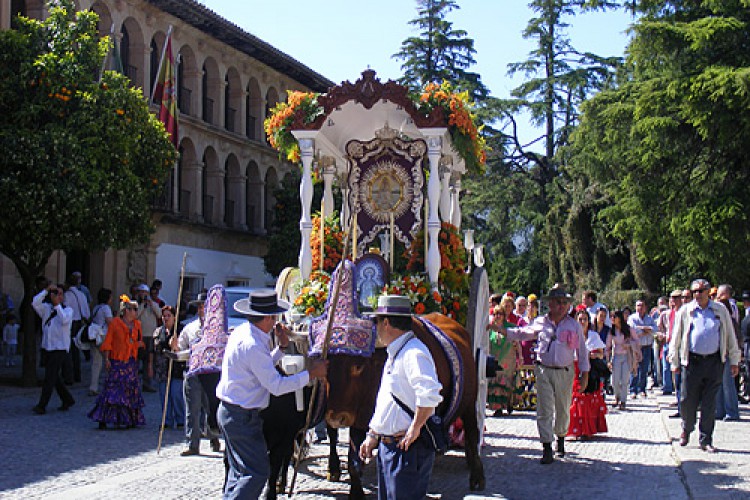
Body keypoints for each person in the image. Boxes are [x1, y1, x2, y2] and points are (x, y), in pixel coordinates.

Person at [217, 289, 327, 499]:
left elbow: (258, 369)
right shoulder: (253, 344)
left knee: (239, 471)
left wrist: (282, 348)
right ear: (268, 318)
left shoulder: (244, 333)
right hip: (242, 416)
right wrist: (311, 373)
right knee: (256, 473)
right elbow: (275, 385)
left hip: (232, 411)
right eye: (275, 314)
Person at [493, 284, 589, 464]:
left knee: (563, 407)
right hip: (544, 369)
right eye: (557, 302)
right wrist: (502, 330)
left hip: (565, 371)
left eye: (564, 302)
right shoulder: (541, 322)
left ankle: (560, 438)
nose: (561, 306)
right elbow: (522, 333)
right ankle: (546, 446)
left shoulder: (573, 325)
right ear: (550, 304)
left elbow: (582, 351)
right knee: (544, 408)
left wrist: (585, 374)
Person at [359, 295, 443, 498]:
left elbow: (430, 394)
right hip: (391, 448)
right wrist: (373, 434)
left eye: (376, 321)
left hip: (406, 450)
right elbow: (387, 401)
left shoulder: (413, 353)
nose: (375, 327)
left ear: (386, 323)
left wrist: (414, 428)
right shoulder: (397, 352)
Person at [669, 279, 741, 452]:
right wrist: (674, 361)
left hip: (714, 361)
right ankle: (687, 428)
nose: (697, 295)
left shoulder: (719, 310)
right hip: (692, 361)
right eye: (695, 292)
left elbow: (729, 335)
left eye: (701, 291)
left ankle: (706, 439)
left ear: (708, 292)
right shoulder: (686, 311)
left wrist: (734, 360)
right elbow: (676, 337)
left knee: (710, 403)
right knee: (687, 399)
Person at [88, 294, 146, 429]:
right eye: (133, 309)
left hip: (131, 361)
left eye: (136, 309)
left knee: (129, 389)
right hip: (117, 360)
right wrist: (107, 358)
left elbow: (138, 340)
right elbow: (108, 341)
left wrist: (138, 345)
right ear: (126, 310)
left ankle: (129, 418)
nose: (136, 312)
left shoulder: (137, 325)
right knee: (113, 389)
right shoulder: (115, 323)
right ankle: (105, 417)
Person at [178, 292, 220, 455]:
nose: (202, 309)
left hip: (211, 372)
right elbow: (180, 348)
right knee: (192, 409)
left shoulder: (218, 328)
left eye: (205, 306)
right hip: (193, 371)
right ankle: (192, 443)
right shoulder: (189, 328)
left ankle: (213, 436)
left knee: (211, 406)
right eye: (200, 306)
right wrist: (173, 344)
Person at [31, 284, 75, 415]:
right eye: (56, 293)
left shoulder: (68, 311)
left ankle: (42, 405)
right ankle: (67, 399)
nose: (58, 296)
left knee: (49, 377)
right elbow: (34, 303)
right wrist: (45, 291)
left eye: (60, 294)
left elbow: (64, 320)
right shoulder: (46, 309)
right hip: (47, 347)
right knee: (53, 376)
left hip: (60, 348)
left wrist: (57, 305)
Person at [567, 307, 608, 439]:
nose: (582, 322)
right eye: (580, 319)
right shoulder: (571, 336)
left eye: (585, 319)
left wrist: (593, 355)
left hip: (590, 370)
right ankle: (574, 429)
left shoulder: (593, 336)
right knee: (575, 398)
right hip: (574, 368)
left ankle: (586, 430)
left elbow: (601, 354)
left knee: (588, 399)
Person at [153, 305, 185, 429]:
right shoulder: (158, 331)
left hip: (177, 368)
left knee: (176, 393)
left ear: (174, 317)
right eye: (164, 316)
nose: (166, 318)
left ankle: (180, 418)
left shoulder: (181, 330)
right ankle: (167, 420)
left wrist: (176, 344)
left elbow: (183, 346)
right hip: (162, 368)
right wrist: (168, 342)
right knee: (164, 394)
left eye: (168, 316)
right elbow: (157, 347)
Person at [487, 306, 520, 416]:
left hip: (508, 359)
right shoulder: (490, 329)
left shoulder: (510, 328)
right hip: (495, 358)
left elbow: (517, 343)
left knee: (506, 381)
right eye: (496, 314)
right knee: (495, 382)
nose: (498, 316)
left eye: (500, 314)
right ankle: (498, 408)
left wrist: (520, 357)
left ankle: (508, 403)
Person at [605, 310, 639, 410]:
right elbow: (608, 346)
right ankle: (617, 397)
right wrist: (607, 360)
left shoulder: (628, 329)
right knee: (615, 380)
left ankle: (623, 400)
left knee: (624, 379)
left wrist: (629, 345)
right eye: (611, 317)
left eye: (614, 317)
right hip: (615, 356)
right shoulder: (612, 331)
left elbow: (636, 340)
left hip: (626, 356)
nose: (612, 319)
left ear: (619, 318)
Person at [715, 293, 741, 421]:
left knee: (727, 384)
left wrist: (734, 358)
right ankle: (720, 410)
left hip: (726, 354)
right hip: (717, 355)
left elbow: (733, 340)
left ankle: (732, 411)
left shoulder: (730, 322)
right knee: (718, 385)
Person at [63, 275, 91, 384]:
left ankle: (68, 376)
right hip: (79, 322)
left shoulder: (67, 295)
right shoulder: (81, 295)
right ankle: (77, 375)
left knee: (68, 350)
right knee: (76, 350)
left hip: (69, 323)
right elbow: (86, 312)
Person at [627, 299, 657, 398]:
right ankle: (633, 390)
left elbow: (655, 330)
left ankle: (642, 389)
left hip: (647, 346)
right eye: (638, 305)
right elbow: (633, 331)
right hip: (636, 347)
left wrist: (642, 328)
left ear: (645, 307)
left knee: (644, 369)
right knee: (634, 368)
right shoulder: (632, 318)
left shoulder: (649, 318)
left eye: (642, 305)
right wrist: (646, 329)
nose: (640, 307)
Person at [88, 288, 114, 396]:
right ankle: (110, 385)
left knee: (96, 363)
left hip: (94, 336)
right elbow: (110, 322)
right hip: (103, 336)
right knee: (108, 361)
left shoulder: (96, 308)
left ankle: (93, 387)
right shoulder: (106, 308)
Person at [136, 283, 160, 393]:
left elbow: (159, 315)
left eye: (145, 293)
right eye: (141, 292)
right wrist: (143, 305)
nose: (143, 295)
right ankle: (134, 383)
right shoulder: (136, 305)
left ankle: (147, 383)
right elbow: (135, 316)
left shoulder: (153, 304)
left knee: (149, 362)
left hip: (151, 335)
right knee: (137, 360)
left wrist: (151, 305)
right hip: (140, 336)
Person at [740, 290, 750, 404]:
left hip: (748, 342)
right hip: (746, 343)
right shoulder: (746, 312)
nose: (744, 302)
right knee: (747, 369)